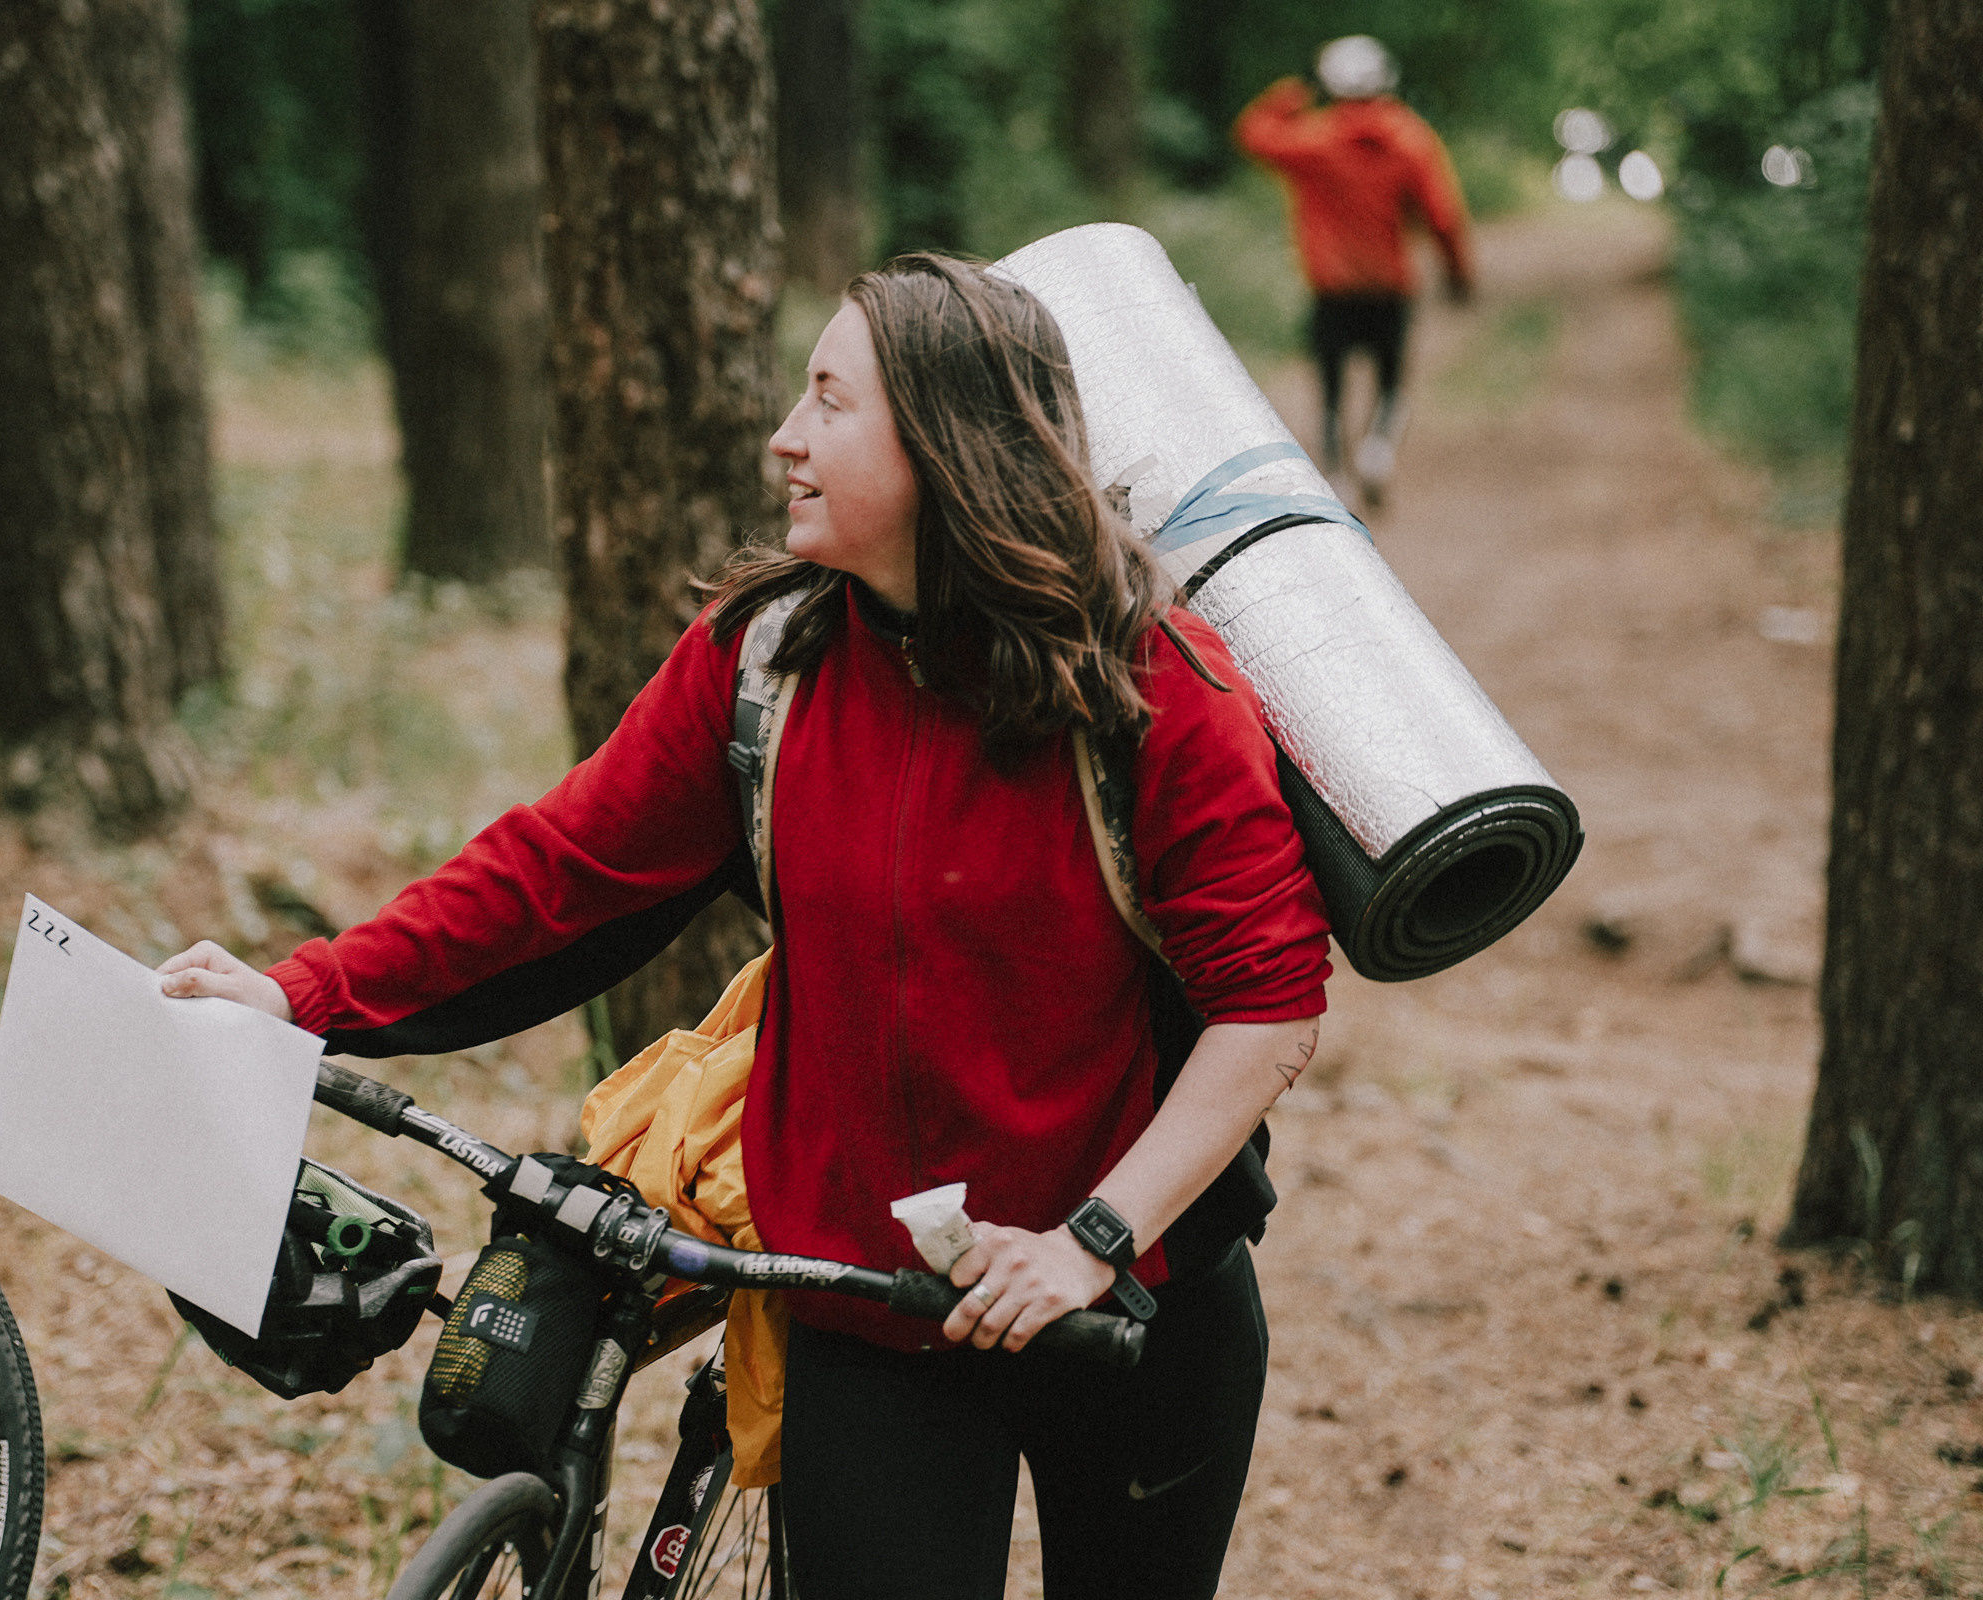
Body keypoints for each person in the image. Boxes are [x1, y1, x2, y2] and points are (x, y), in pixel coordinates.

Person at [158, 255, 1331, 1600]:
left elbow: (1270, 1005)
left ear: (949, 446)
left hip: (1136, 1314)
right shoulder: (766, 661)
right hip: (865, 1310)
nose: (786, 435)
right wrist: (300, 993)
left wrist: (1091, 1244)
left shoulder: (1150, 684)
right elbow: (554, 870)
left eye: (830, 401)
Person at [1235, 34, 1474, 507]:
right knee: (1391, 383)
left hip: (1332, 289)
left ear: (1332, 84)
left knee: (1330, 387)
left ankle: (1337, 475)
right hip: (1390, 286)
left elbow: (1253, 133)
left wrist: (1294, 93)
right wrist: (1458, 273)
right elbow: (1443, 218)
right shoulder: (1412, 140)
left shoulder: (1313, 141)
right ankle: (1377, 452)